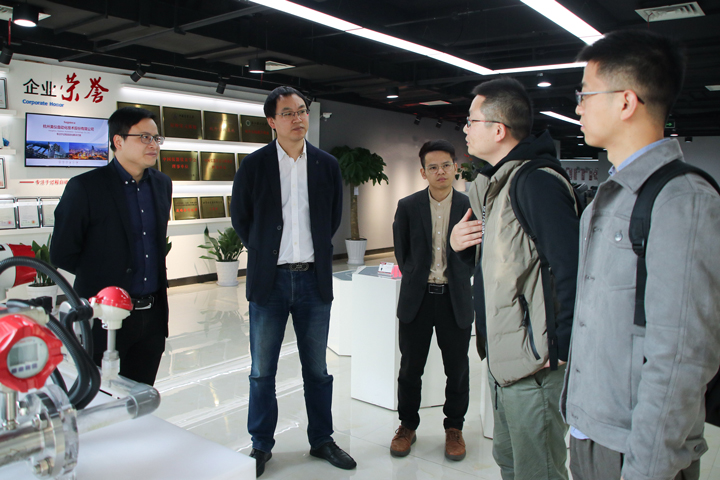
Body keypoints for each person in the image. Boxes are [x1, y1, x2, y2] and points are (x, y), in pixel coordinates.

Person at [561, 30, 720, 480]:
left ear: (626, 102)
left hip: (635, 449)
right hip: (588, 432)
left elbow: (683, 357)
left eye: (585, 95)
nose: (578, 108)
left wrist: (647, 468)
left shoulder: (682, 199)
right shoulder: (607, 198)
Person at [450, 77, 579, 480]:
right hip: (505, 355)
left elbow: (571, 267)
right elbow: (506, 264)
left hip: (534, 362)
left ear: (498, 130)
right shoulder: (496, 184)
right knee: (511, 462)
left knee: (538, 470)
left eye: (471, 120)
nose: (465, 129)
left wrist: (560, 347)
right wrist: (461, 245)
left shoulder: (536, 182)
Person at [231, 86, 353, 477]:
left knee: (317, 369)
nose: (298, 119)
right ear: (272, 121)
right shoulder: (254, 166)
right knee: (262, 371)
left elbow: (332, 217)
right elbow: (241, 218)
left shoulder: (326, 164)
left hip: (314, 281)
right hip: (270, 282)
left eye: (301, 111)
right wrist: (268, 252)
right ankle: (261, 445)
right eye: (288, 113)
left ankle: (322, 440)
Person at [51, 106, 172, 386]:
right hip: (103, 316)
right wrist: (104, 276)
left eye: (156, 138)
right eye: (144, 137)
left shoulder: (162, 184)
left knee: (140, 396)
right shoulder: (85, 187)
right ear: (118, 141)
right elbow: (62, 253)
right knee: (99, 395)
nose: (153, 145)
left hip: (152, 316)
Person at [390, 140, 475, 461]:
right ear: (423, 172)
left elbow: (476, 254)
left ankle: (454, 428)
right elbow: (403, 253)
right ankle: (407, 426)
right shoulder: (408, 206)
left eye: (446, 165)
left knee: (458, 369)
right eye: (433, 167)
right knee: (410, 368)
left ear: (456, 168)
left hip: (455, 299)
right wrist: (417, 275)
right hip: (418, 299)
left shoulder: (470, 206)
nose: (441, 172)